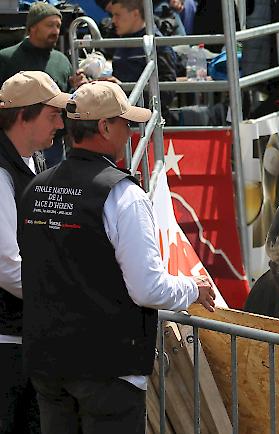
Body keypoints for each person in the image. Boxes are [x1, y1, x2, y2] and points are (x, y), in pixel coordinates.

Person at [18, 81, 218, 433]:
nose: (130, 132)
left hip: (48, 363)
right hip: (107, 370)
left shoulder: (37, 187)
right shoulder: (123, 195)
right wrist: (193, 289)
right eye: (125, 123)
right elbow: (147, 288)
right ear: (104, 127)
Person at [0, 71, 69, 434]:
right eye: (52, 114)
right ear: (24, 116)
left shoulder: (35, 160)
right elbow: (7, 267)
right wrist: (63, 296)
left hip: (29, 335)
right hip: (7, 343)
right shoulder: (1, 173)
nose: (61, 123)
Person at [0, 2, 87, 165]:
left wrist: (79, 88)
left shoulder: (61, 60)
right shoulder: (6, 59)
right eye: (49, 25)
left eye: (58, 26)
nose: (55, 31)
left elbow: (68, 102)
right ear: (32, 27)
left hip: (53, 145)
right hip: (16, 145)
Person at [108, 0, 178, 121]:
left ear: (135, 14)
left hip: (149, 125)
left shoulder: (158, 45)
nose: (113, 21)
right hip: (124, 120)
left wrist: (124, 90)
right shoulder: (120, 42)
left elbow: (167, 93)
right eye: (112, 15)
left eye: (117, 15)